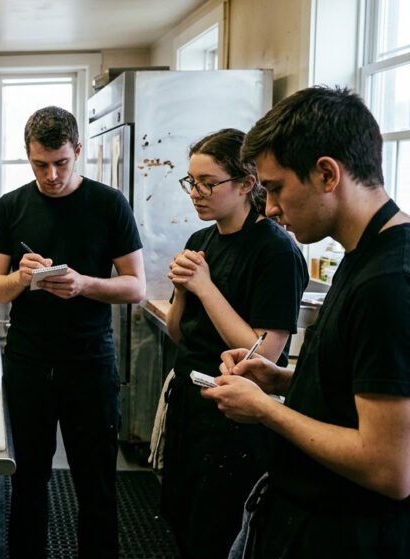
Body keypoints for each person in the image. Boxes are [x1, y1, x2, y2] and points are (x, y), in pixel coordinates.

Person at [202, 86, 410, 557]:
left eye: (276, 188)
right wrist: (282, 379)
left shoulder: (389, 282)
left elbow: (389, 467)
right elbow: (366, 387)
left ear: (327, 174)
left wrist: (265, 409)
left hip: (350, 535)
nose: (270, 207)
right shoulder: (364, 255)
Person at [0, 105, 146, 558]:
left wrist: (84, 285)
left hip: (90, 362)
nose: (51, 175)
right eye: (40, 165)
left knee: (96, 485)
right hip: (29, 363)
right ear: (27, 155)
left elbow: (136, 286)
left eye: (61, 163)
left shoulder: (109, 204)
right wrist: (20, 278)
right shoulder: (10, 207)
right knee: (28, 482)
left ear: (78, 150)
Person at [159, 128, 307, 558]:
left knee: (219, 533)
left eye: (208, 183)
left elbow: (264, 354)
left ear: (246, 184)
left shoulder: (275, 251)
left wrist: (204, 288)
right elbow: (177, 333)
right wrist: (182, 292)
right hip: (189, 404)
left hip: (235, 418)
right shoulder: (200, 241)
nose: (196, 193)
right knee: (182, 519)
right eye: (191, 181)